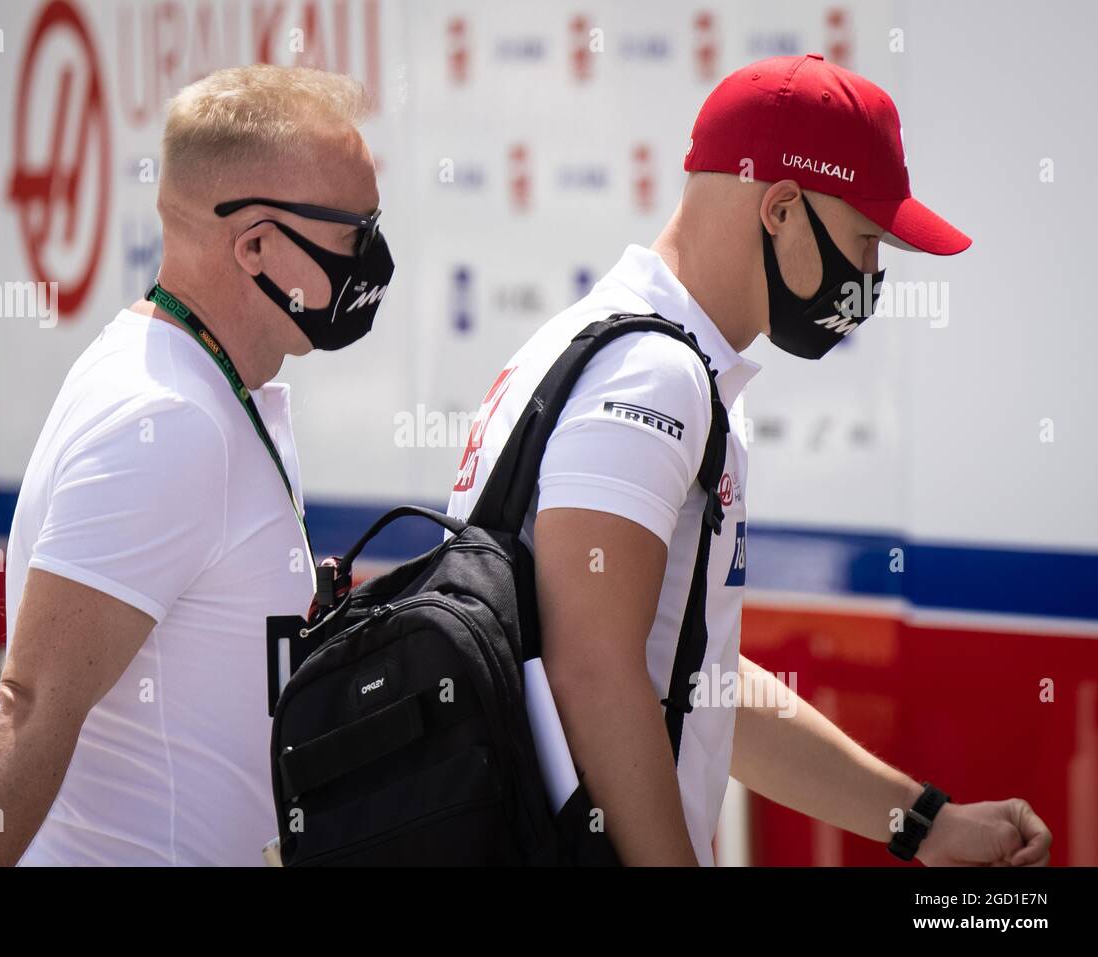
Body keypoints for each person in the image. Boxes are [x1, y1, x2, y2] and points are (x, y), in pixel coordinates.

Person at [446, 54, 1051, 866]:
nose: (871, 279)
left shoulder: (612, 346)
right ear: (781, 208)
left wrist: (922, 820)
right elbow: (592, 671)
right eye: (867, 240)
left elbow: (695, 680)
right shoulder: (653, 374)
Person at [0, 65, 394, 866]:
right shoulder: (167, 418)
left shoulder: (204, 387)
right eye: (355, 231)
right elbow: (30, 707)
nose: (374, 259)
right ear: (256, 246)